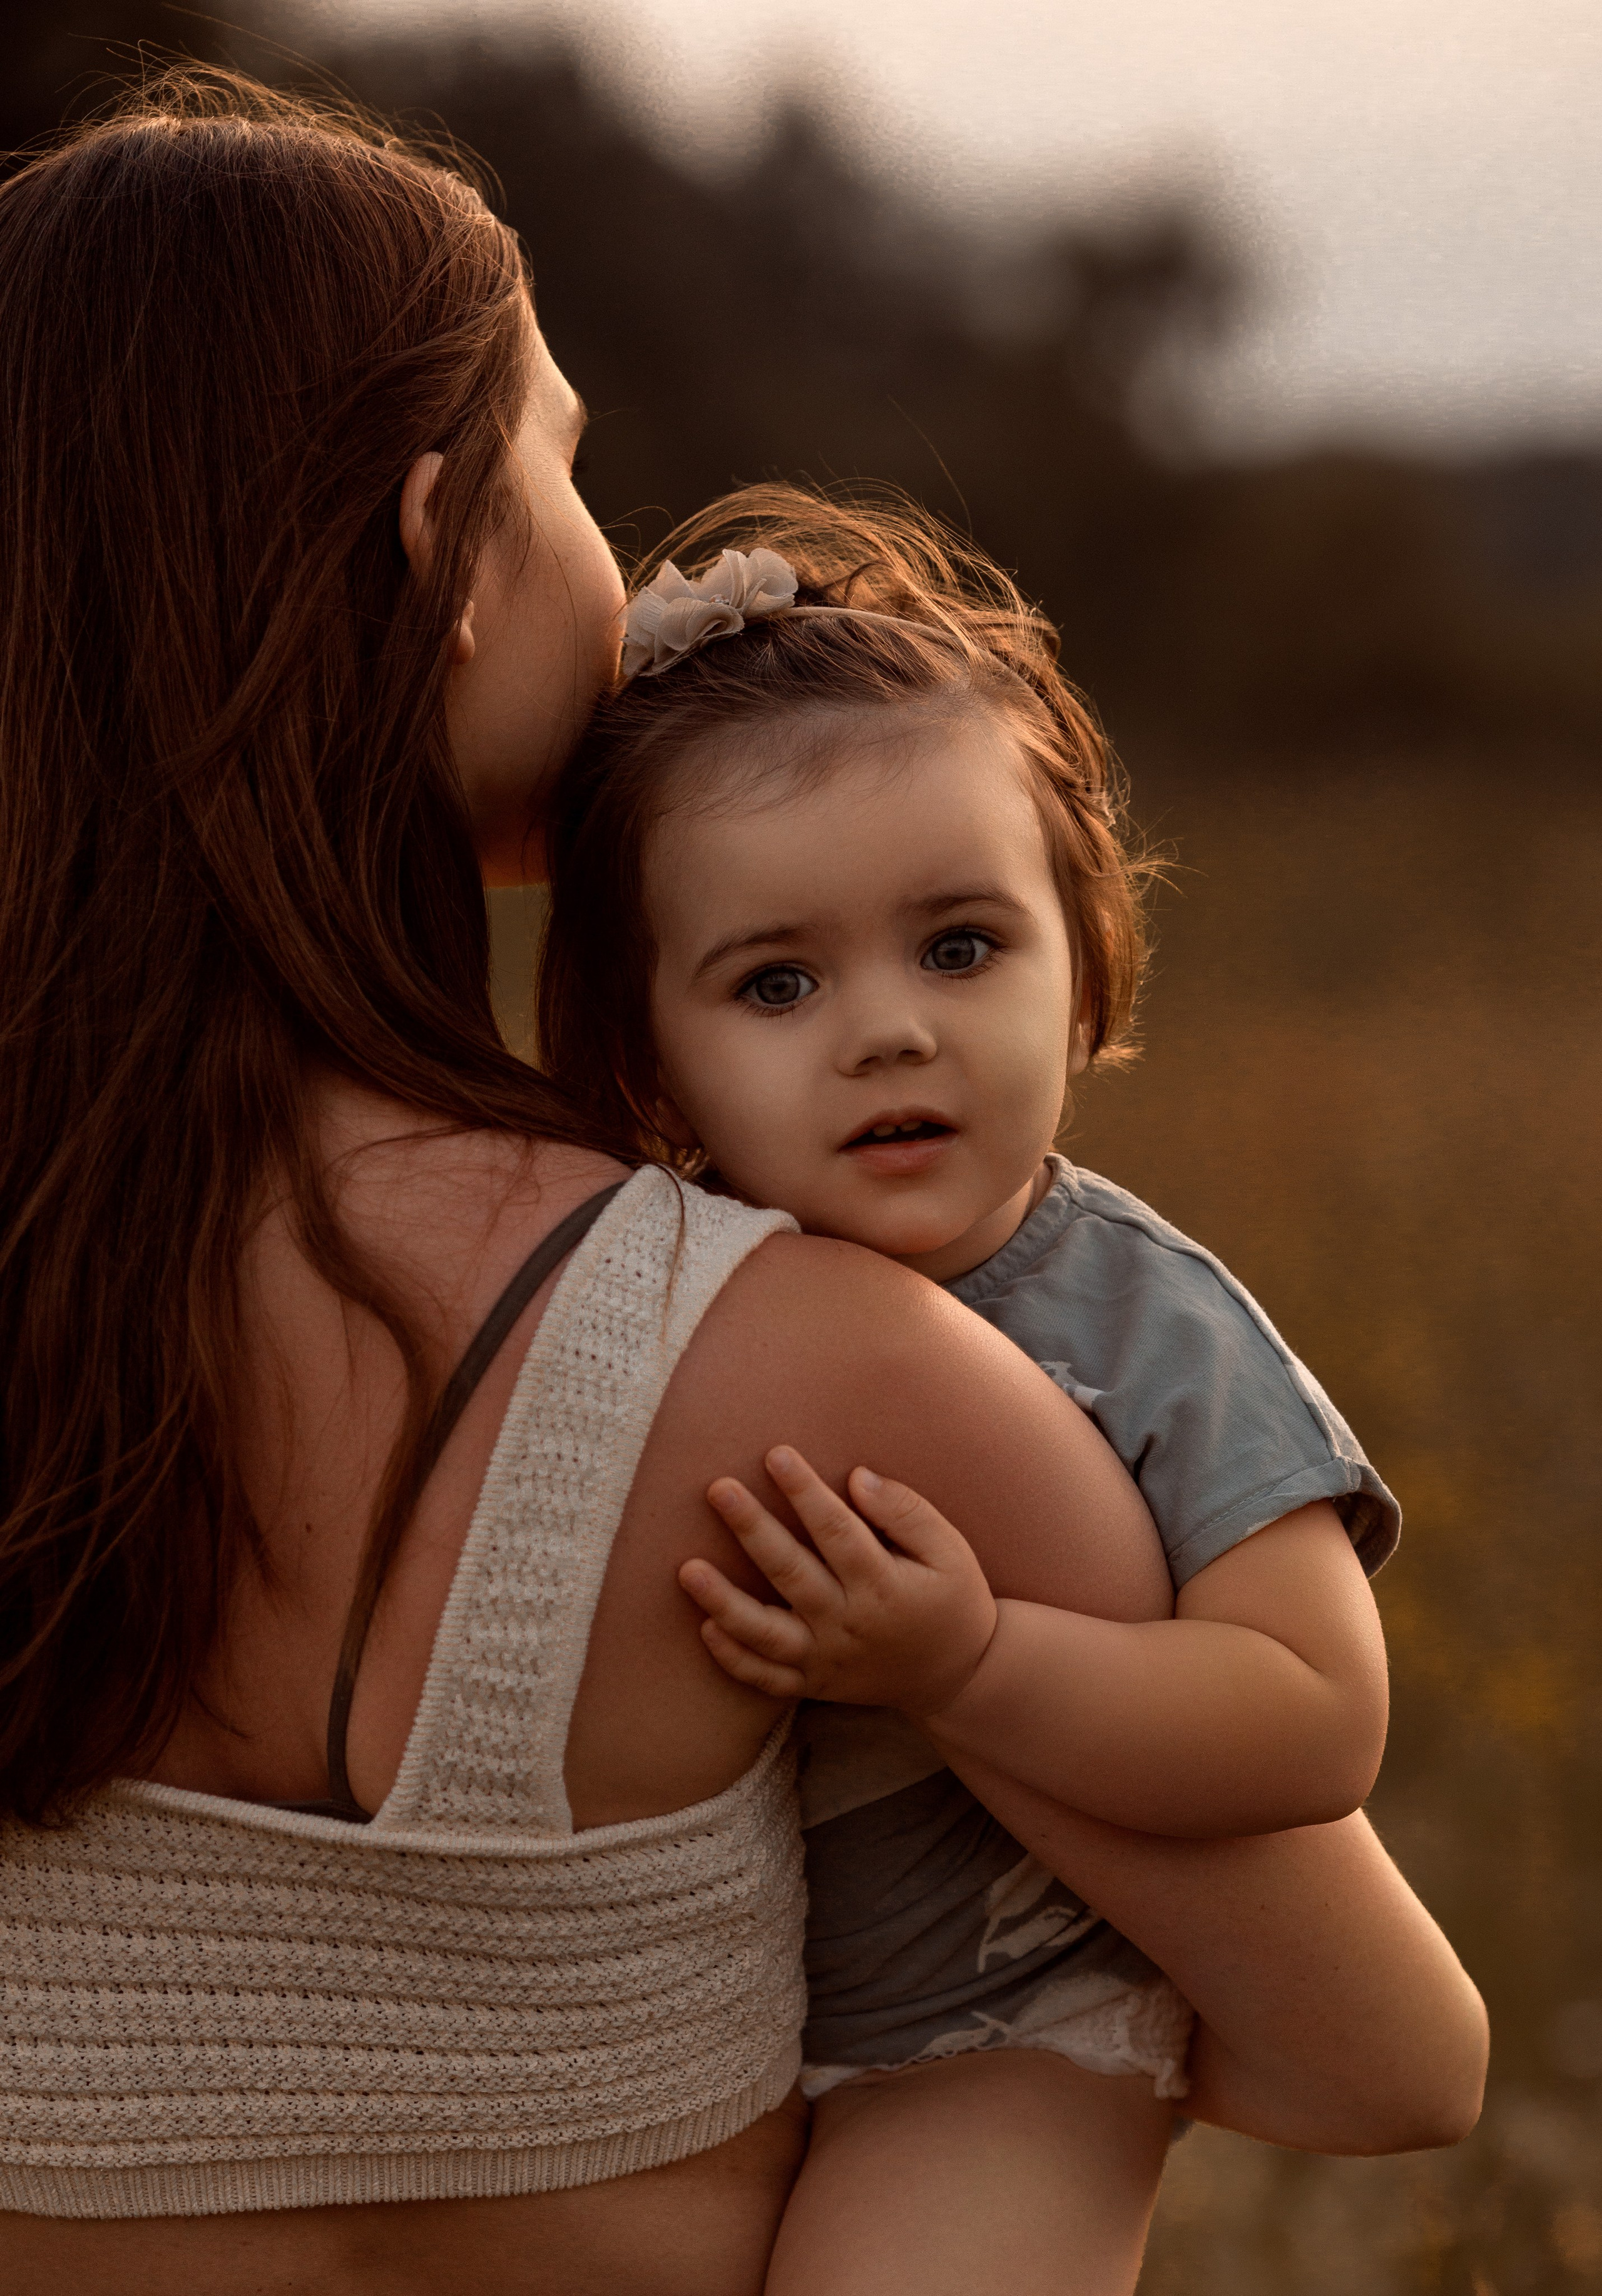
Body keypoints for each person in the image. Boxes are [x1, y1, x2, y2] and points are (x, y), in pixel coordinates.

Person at [536, 489, 1491, 2293]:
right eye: (779, 979)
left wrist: (969, 1662)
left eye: (960, 946)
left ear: (1085, 971)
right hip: (679, 2034)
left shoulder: (1139, 1317)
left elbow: (1311, 1713)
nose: (885, 1026)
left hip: (990, 2041)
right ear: (643, 1047)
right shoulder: (635, 1275)